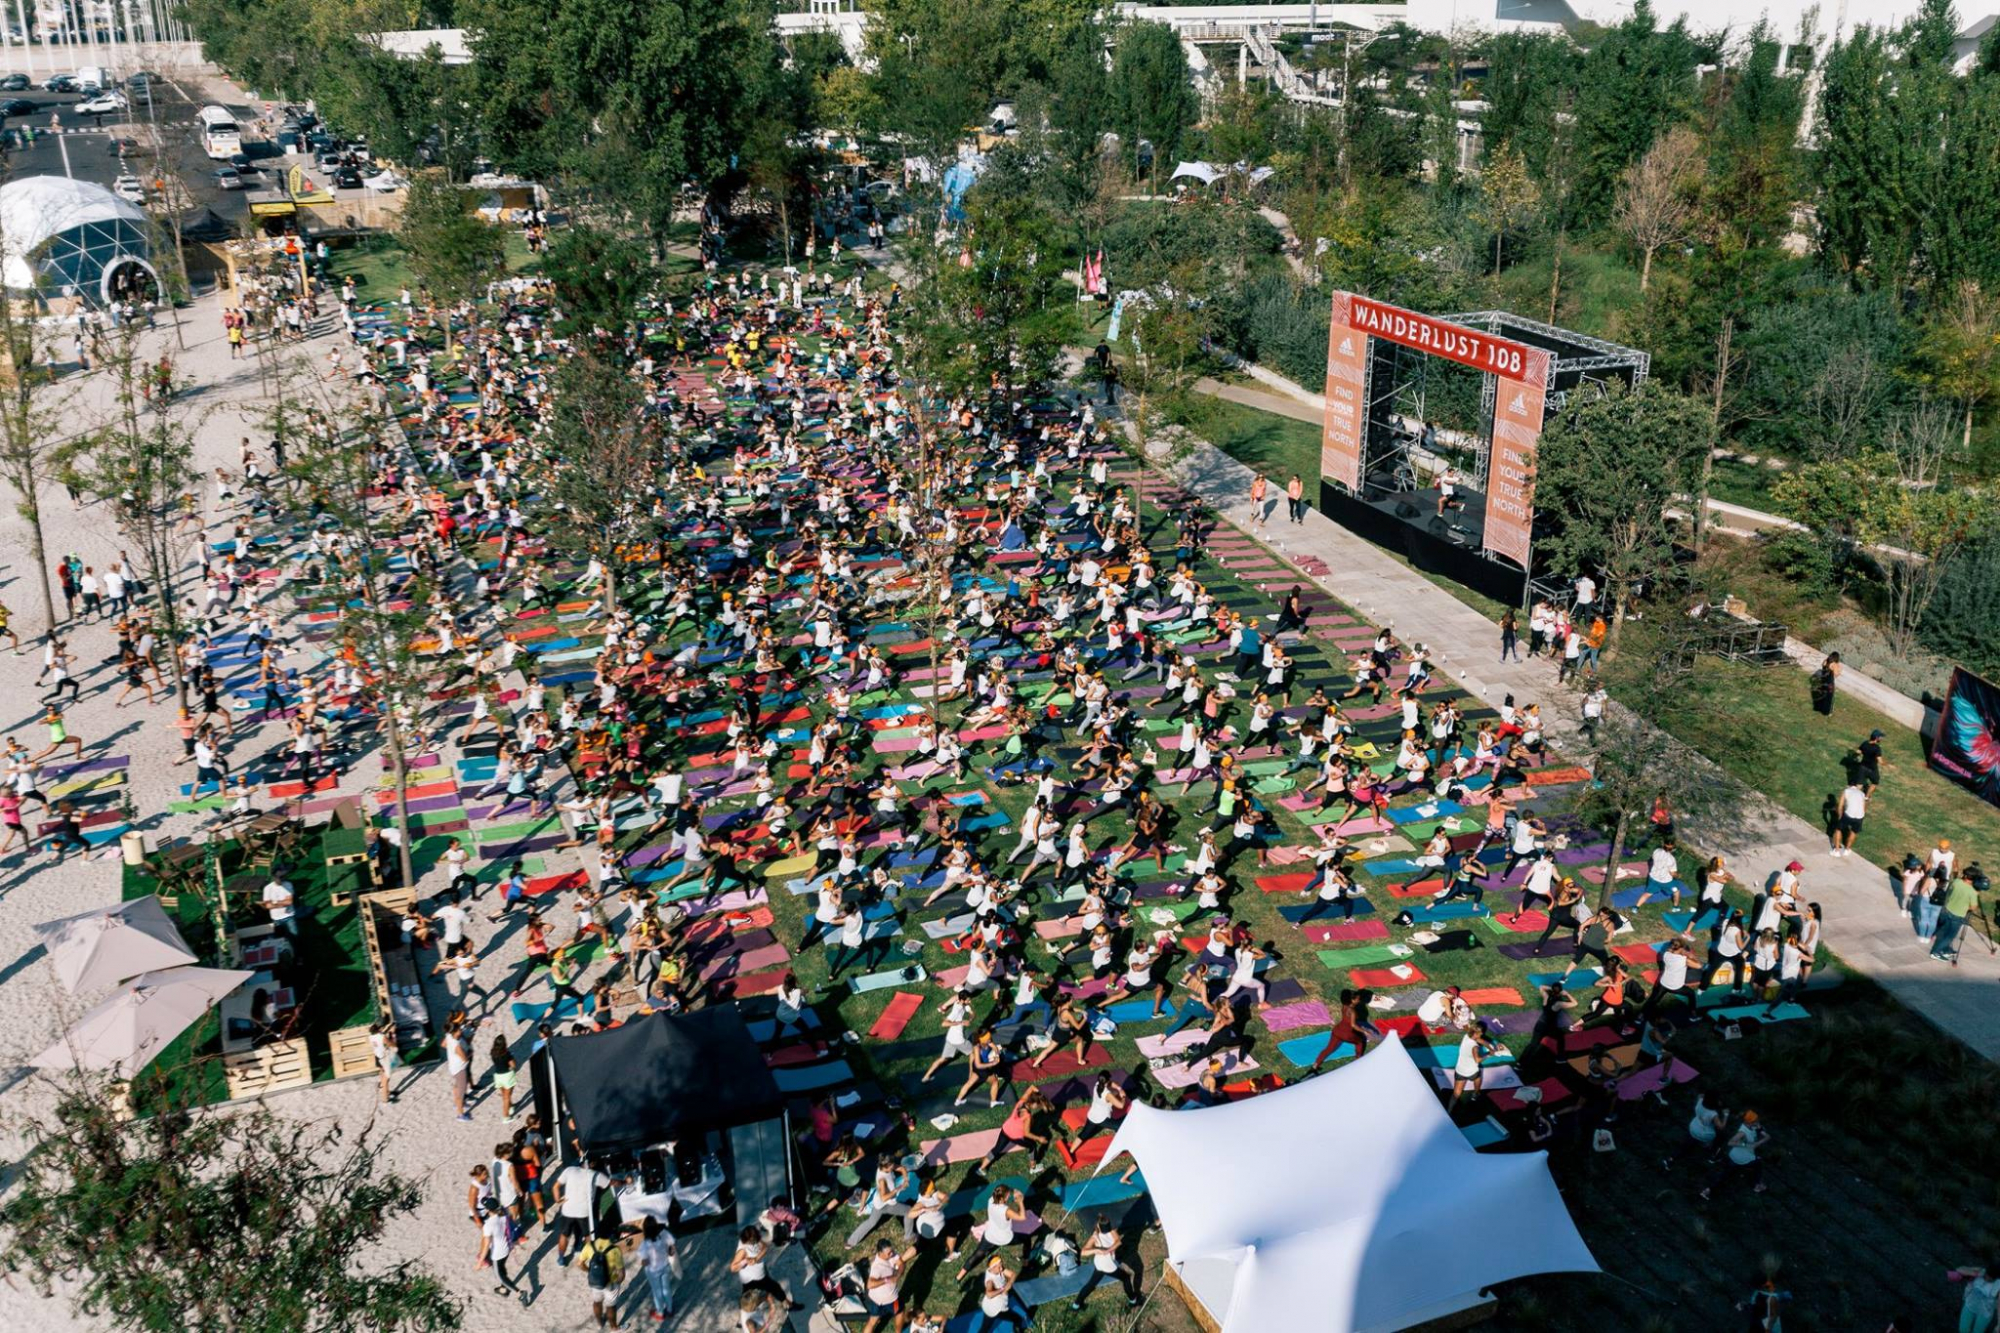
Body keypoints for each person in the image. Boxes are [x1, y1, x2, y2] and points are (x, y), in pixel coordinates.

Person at [1072, 1215, 1141, 1308]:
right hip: (1107, 1266)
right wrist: (1096, 1250)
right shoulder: (1095, 1237)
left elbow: (1118, 1242)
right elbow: (1083, 1252)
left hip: (1099, 1263)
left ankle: (1076, 1305)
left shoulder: (1111, 1230)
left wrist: (1108, 1250)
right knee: (1126, 1278)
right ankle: (1133, 1300)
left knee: (1091, 1284)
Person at [728, 1224, 800, 1312]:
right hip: (751, 1280)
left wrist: (756, 1258)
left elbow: (765, 1247)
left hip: (761, 1276)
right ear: (749, 1239)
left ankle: (788, 1305)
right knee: (750, 1302)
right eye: (754, 1240)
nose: (757, 1241)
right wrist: (745, 1261)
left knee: (775, 1288)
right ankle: (748, 1312)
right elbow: (733, 1267)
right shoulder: (743, 1250)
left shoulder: (755, 1240)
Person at [553, 1159, 610, 1266]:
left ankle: (561, 1258)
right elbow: (609, 1183)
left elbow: (555, 1187)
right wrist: (625, 1181)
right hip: (584, 1212)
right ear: (593, 1164)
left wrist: (558, 1200)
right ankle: (590, 1256)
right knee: (588, 1235)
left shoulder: (570, 1170)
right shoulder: (595, 1174)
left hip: (568, 1210)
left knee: (565, 1234)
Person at [475, 1199, 530, 1306]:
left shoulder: (488, 1225)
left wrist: (479, 1263)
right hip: (506, 1248)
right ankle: (504, 1288)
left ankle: (520, 1293)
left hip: (497, 1253)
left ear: (487, 1210)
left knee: (500, 1275)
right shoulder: (504, 1217)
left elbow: (486, 1245)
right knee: (501, 1267)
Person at [860, 1237, 917, 1333]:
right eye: (888, 1253)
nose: (891, 1254)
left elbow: (901, 1263)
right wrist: (886, 1280)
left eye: (891, 1251)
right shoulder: (877, 1267)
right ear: (880, 1253)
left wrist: (898, 1274)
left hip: (875, 1300)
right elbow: (869, 1284)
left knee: (873, 1320)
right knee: (900, 1311)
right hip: (889, 1300)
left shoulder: (891, 1254)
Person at [576, 1228, 626, 1328]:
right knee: (611, 1306)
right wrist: (618, 1282)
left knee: (597, 1302)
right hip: (611, 1282)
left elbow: (579, 1264)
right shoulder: (615, 1250)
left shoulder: (589, 1246)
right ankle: (614, 1328)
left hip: (595, 1280)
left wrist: (589, 1271)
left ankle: (600, 1323)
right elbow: (621, 1273)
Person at [634, 1216, 681, 1322]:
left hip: (653, 1271)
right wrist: (669, 1252)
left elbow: (644, 1262)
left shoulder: (644, 1244)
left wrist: (644, 1261)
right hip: (665, 1265)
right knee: (667, 1289)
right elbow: (672, 1246)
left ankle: (660, 1312)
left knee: (657, 1291)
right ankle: (670, 1309)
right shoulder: (664, 1234)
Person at [1947, 1263, 2000, 1333]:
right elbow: (1959, 1269)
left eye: (1990, 1279)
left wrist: (1999, 1324)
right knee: (1963, 1330)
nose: (1986, 1279)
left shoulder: (1998, 1286)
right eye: (1986, 1275)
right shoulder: (1979, 1272)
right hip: (1969, 1306)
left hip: (1985, 1313)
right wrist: (1974, 1273)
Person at [443, 1012, 473, 1122]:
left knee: (456, 1086)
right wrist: (470, 1053)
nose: (460, 1031)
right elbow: (465, 1058)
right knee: (461, 1091)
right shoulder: (457, 1045)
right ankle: (460, 1114)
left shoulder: (448, 1036)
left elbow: (443, 1045)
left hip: (453, 1067)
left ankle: (457, 1104)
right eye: (459, 1030)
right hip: (460, 1069)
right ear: (455, 1032)